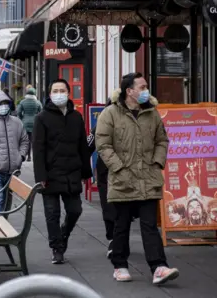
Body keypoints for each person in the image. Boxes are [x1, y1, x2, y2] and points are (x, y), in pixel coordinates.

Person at [95, 73, 179, 284]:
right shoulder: (110, 114)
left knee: (150, 224)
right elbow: (103, 145)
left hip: (148, 178)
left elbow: (162, 140)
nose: (146, 90)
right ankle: (120, 265)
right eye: (142, 87)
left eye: (146, 87)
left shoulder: (152, 113)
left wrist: (158, 163)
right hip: (123, 178)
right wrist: (118, 168)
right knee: (121, 224)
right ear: (129, 91)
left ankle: (159, 266)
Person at [33, 79, 92, 265]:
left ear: (68, 93)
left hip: (72, 173)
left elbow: (83, 146)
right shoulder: (41, 118)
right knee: (52, 214)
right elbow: (38, 149)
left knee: (75, 210)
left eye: (62, 90)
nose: (59, 93)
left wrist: (85, 172)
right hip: (50, 175)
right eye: (55, 90)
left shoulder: (76, 117)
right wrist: (40, 176)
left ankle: (63, 235)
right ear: (50, 95)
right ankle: (57, 248)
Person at [87, 95, 115, 258]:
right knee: (108, 208)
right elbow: (87, 146)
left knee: (119, 209)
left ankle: (116, 239)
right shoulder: (100, 126)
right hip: (105, 174)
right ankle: (113, 239)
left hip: (124, 174)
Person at [17, 87, 42, 162]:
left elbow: (18, 112)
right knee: (34, 139)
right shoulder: (37, 102)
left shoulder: (22, 102)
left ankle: (28, 156)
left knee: (26, 140)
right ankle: (35, 155)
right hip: (35, 123)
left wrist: (22, 118)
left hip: (25, 123)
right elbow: (41, 112)